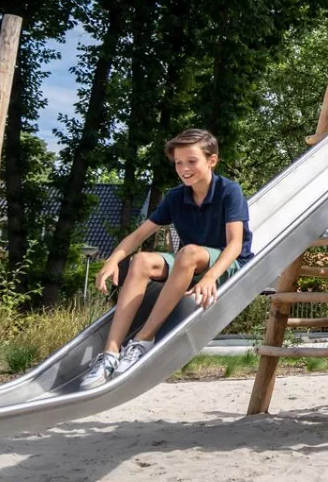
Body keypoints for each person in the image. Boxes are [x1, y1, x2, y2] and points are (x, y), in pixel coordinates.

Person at [80, 129, 253, 389]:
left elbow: (235, 243)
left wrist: (210, 277)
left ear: (211, 160)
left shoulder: (229, 191)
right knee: (140, 261)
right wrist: (113, 260)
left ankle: (143, 339)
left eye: (192, 161)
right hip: (188, 262)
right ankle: (111, 353)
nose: (184, 168)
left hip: (227, 264)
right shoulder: (176, 197)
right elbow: (139, 235)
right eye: (179, 163)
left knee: (189, 251)